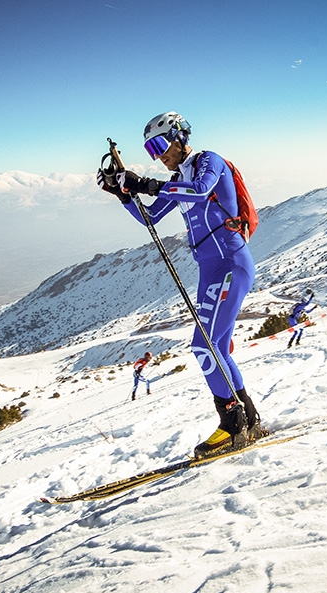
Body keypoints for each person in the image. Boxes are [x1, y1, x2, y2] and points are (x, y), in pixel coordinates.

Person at [96, 111, 263, 458]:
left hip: (231, 263)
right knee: (216, 345)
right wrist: (122, 193)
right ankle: (248, 416)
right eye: (149, 149)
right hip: (210, 269)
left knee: (204, 347)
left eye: (159, 144)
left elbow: (201, 192)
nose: (158, 155)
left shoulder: (208, 162)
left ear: (180, 136)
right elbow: (150, 217)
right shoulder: (178, 179)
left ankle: (232, 426)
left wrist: (147, 184)